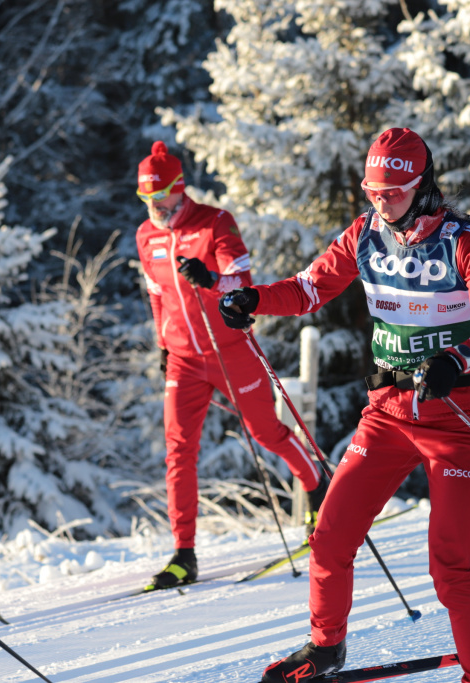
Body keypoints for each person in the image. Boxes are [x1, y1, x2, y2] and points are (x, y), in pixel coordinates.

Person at [220, 127, 470, 683]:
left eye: (394, 192)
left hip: (455, 416)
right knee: (329, 538)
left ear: (422, 185)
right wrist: (254, 298)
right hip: (385, 413)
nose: (382, 203)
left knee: (451, 569)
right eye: (373, 192)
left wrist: (457, 358)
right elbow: (311, 288)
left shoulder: (465, 242)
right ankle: (325, 647)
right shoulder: (366, 234)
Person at [134, 140, 328, 590]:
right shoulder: (147, 236)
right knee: (178, 449)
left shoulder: (215, 222)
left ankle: (316, 484)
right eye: (147, 201)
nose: (156, 208)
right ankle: (184, 553)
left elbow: (242, 281)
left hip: (231, 349)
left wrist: (211, 280)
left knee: (266, 432)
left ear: (180, 190)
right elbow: (157, 294)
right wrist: (163, 342)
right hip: (183, 358)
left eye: (161, 198)